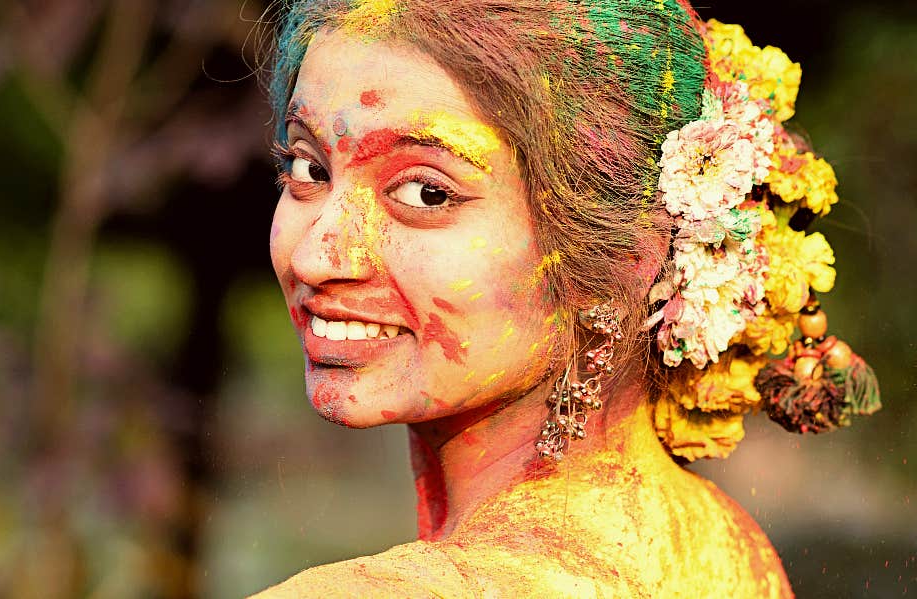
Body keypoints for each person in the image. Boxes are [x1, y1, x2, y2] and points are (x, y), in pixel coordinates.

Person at [259, 0, 881, 595]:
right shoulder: (726, 549)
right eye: (308, 168)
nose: (317, 256)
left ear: (625, 256)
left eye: (426, 194)